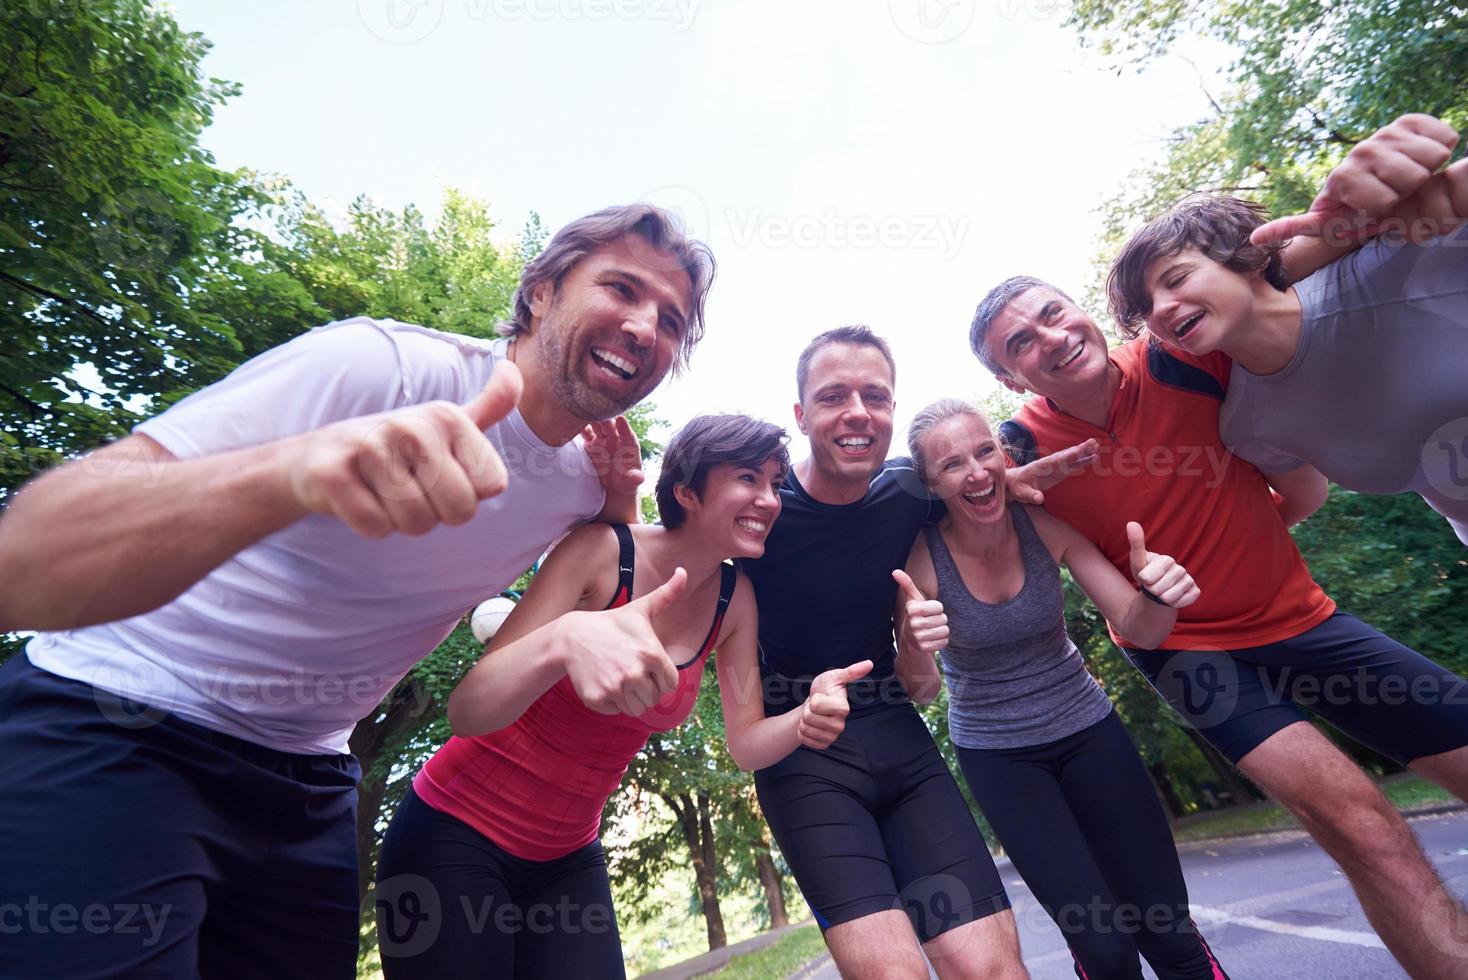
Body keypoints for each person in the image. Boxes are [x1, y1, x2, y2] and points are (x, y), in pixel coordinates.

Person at [0, 204, 715, 978]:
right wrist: (295, 472)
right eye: (621, 288)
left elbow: (610, 555)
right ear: (541, 290)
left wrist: (618, 501)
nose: (646, 327)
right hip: (118, 722)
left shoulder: (583, 483)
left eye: (671, 319)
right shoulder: (383, 368)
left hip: (309, 783)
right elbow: (22, 562)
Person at [966, 115, 1468, 979]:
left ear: (1085, 313)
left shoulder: (1186, 352)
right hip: (1191, 652)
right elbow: (921, 492)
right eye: (1022, 343)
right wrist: (981, 498)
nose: (1050, 337)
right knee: (1360, 821)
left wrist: (1365, 216)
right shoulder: (1017, 454)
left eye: (1054, 314)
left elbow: (1271, 278)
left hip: (1304, 618)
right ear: (1010, 376)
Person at [374, 414, 873, 977]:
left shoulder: (735, 599)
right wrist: (564, 641)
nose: (769, 499)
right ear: (687, 491)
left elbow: (747, 743)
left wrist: (805, 719)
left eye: (775, 483)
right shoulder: (603, 551)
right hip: (453, 835)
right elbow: (468, 709)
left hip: (566, 858)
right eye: (747, 479)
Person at [737, 325, 1088, 979]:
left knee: (992, 969)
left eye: (876, 395)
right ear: (799, 415)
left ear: (893, 411)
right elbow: (665, 542)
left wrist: (1011, 481)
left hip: (901, 741)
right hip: (803, 763)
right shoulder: (758, 516)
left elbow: (981, 463)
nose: (858, 412)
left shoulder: (908, 491)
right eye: (834, 395)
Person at [895, 398, 1226, 980]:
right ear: (930, 482)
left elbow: (1141, 625)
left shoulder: (1044, 527)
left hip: (1089, 732)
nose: (976, 473)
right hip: (1000, 760)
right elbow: (920, 691)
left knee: (1169, 931)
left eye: (984, 452)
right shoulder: (921, 563)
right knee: (1106, 949)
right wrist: (913, 642)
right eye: (952, 465)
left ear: (1002, 457)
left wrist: (1157, 595)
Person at [1104, 162, 1468, 543]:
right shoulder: (1248, 428)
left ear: (1248, 259)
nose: (1160, 309)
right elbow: (1298, 500)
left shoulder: (1399, 263)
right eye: (1146, 308)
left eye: (1176, 279)